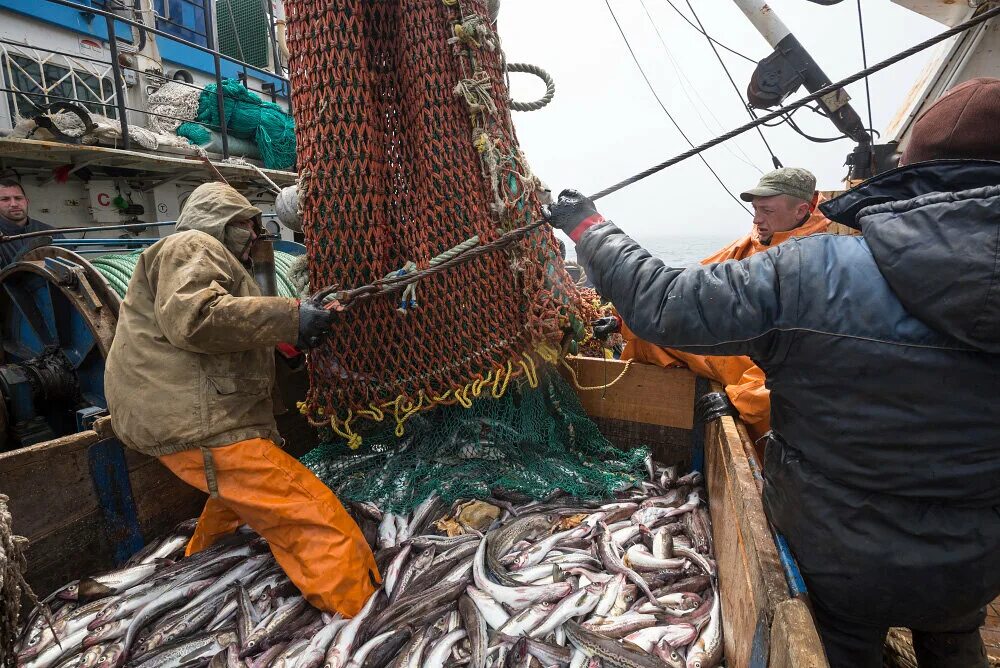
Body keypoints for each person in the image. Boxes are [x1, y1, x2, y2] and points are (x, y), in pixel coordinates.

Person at [545, 77, 1000, 667]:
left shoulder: (812, 268)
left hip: (839, 560)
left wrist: (588, 227)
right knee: (954, 636)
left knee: (840, 648)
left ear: (908, 166)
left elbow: (665, 304)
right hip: (976, 562)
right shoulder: (806, 258)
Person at [104, 182, 379, 617]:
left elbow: (234, 333)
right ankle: (360, 613)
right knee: (312, 515)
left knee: (231, 501)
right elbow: (197, 319)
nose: (255, 234)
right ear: (217, 221)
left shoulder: (216, 263)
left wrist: (293, 336)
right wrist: (292, 316)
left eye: (256, 225)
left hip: (188, 419)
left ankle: (195, 570)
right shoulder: (191, 245)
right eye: (245, 224)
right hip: (199, 424)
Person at [618, 168, 834, 440]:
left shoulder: (816, 263)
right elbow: (691, 286)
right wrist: (624, 318)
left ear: (801, 210)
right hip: (731, 357)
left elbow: (805, 363)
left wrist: (741, 401)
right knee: (645, 336)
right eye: (755, 209)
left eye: (767, 211)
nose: (757, 219)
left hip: (767, 382)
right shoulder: (751, 242)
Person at [0, 179, 61, 268]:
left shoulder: (51, 233)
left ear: (27, 201)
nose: (14, 204)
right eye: (5, 199)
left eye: (18, 198)